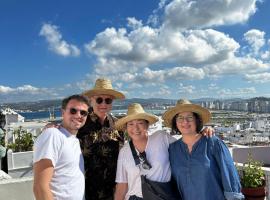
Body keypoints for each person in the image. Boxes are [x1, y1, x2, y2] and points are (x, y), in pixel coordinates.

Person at [163, 99, 244, 200]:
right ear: (175, 122)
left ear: (197, 120)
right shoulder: (172, 149)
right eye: (180, 118)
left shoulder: (213, 143)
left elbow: (230, 176)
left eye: (190, 117)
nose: (185, 121)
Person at [114, 103, 176, 200]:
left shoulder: (162, 137)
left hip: (162, 196)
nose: (135, 128)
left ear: (147, 125)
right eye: (131, 124)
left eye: (140, 123)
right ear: (126, 128)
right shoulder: (124, 151)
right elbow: (122, 185)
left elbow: (186, 145)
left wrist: (202, 134)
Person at [33, 94, 90, 200]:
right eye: (73, 111)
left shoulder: (74, 140)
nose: (78, 115)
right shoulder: (52, 135)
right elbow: (40, 187)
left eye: (83, 113)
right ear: (63, 112)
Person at [79, 78, 125, 200]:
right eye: (99, 100)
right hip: (86, 192)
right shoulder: (80, 124)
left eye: (108, 100)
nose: (103, 104)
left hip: (114, 192)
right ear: (91, 100)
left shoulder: (118, 125)